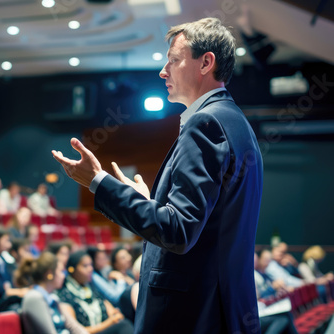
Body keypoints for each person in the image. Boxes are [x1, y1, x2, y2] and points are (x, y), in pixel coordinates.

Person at [52, 17, 263, 333]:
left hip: (191, 314)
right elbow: (202, 224)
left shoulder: (206, 124)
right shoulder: (234, 121)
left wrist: (99, 182)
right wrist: (147, 201)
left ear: (206, 63)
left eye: (174, 61)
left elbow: (177, 232)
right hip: (218, 308)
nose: (163, 71)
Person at [56, 251, 134, 334]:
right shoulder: (65, 295)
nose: (90, 269)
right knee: (125, 325)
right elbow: (76, 330)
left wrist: (113, 318)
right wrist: (109, 323)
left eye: (91, 265)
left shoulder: (91, 289)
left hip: (103, 330)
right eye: (85, 266)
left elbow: (113, 312)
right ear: (72, 269)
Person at [16, 252, 88, 334]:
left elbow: (74, 327)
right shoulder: (34, 298)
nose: (63, 276)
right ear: (50, 274)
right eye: (61, 271)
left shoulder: (53, 298)